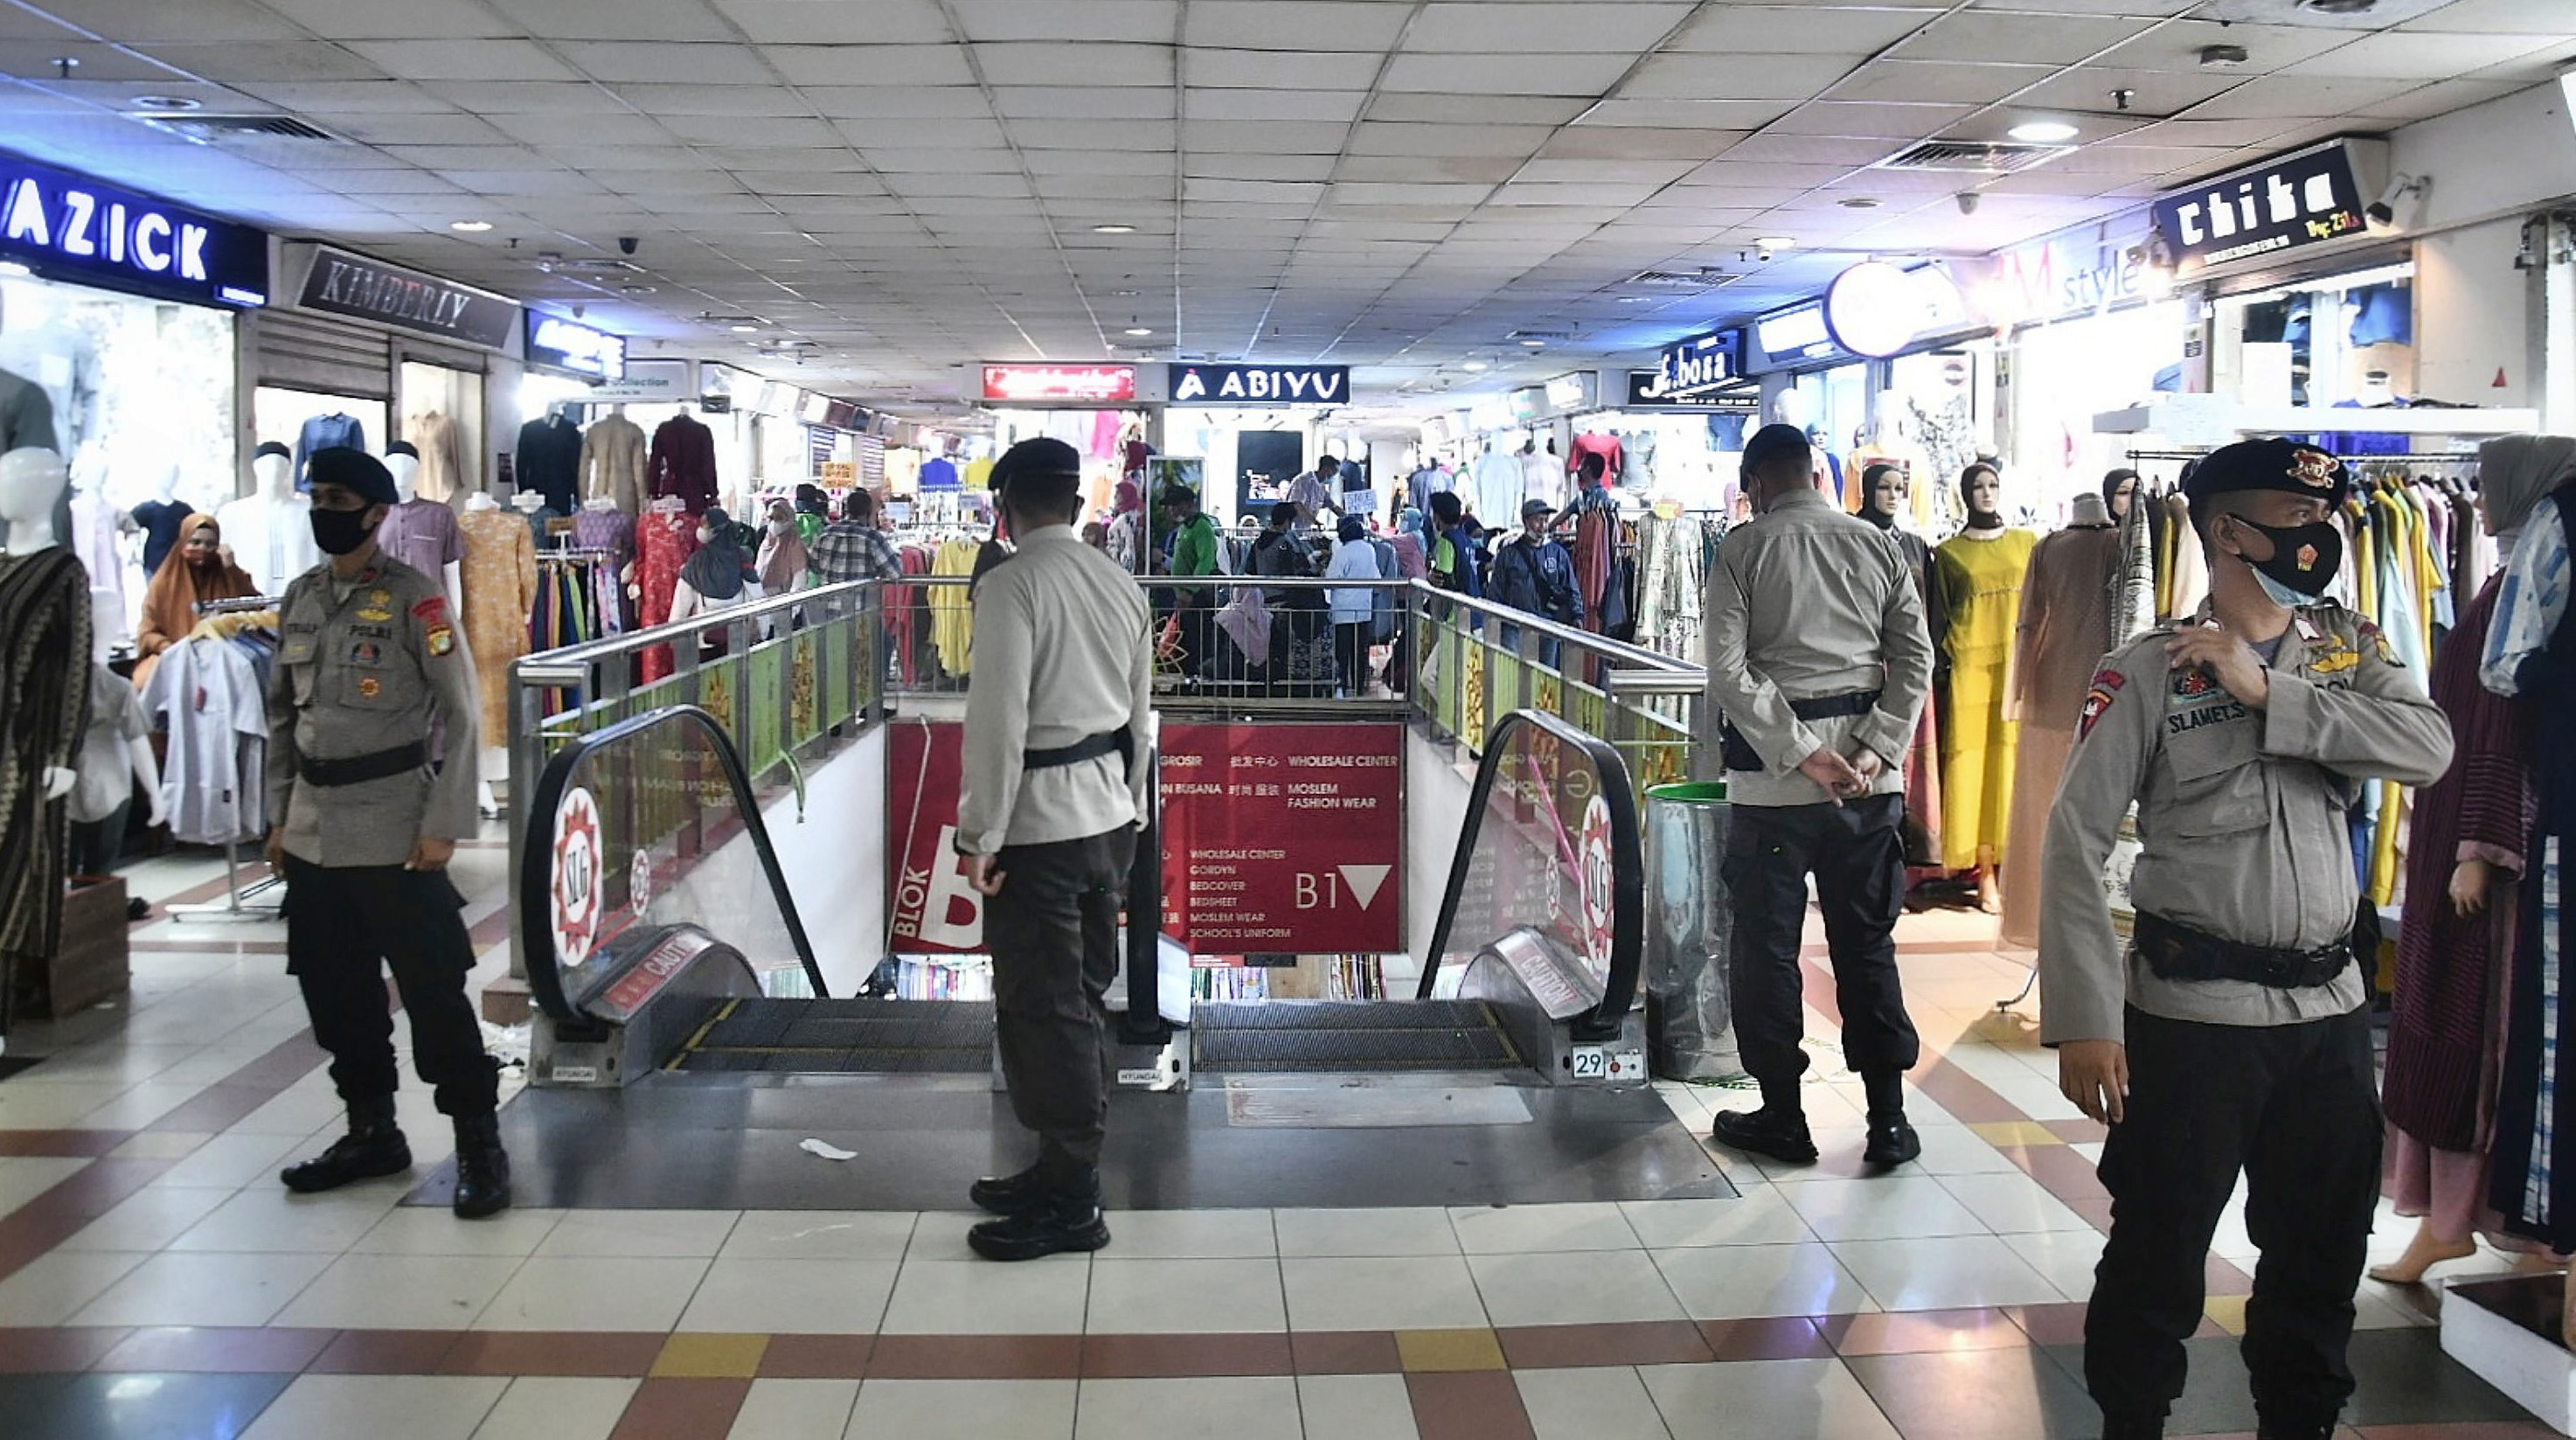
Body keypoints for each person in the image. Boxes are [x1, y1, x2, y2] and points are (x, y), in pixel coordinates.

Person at [2039, 438, 2453, 1440]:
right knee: (2157, 1255)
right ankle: (2131, 1423)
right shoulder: (2147, 669)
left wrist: (2275, 696)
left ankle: (2298, 1425)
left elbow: (2430, 748)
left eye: (2323, 517)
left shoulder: (2348, 651)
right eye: (2295, 516)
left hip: (2328, 1017)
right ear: (2227, 530)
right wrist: (2086, 1020)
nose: (2319, 534)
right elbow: (2072, 842)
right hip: (2194, 1019)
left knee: (2320, 1257)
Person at [262, 447, 510, 1220]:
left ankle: (478, 1143)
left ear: (375, 514)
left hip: (397, 828)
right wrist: (278, 814)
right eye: (317, 498)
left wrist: (446, 825)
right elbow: (282, 718)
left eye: (337, 500)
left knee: (434, 994)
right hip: (313, 832)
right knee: (336, 994)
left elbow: (462, 714)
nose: (322, 511)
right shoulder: (301, 597)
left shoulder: (415, 598)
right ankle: (371, 1131)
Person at [1703, 424, 1934, 1170]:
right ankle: (1887, 1120)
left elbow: (1727, 670)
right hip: (1867, 785)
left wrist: (1803, 754)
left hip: (1774, 787)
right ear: (1816, 475)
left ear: (1755, 484)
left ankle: (1783, 1114)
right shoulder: (1877, 545)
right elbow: (1915, 657)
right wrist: (1874, 746)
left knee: (1766, 948)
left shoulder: (1743, 549)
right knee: (1865, 944)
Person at [955, 437, 1154, 1262]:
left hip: (1039, 828)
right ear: (1075, 505)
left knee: (1043, 1006)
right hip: (1108, 820)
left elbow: (996, 723)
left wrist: (979, 836)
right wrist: (1131, 807)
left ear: (1005, 511)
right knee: (1082, 995)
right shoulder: (1119, 582)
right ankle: (1057, 1166)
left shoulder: (1011, 585)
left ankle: (1073, 1197)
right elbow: (1141, 718)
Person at [2376, 435, 2562, 1285]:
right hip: (2450, 836)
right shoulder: (2506, 583)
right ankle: (2454, 1221)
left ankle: (2468, 1221)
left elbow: (2504, 727)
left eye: (2490, 488)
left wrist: (2479, 851)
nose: (2477, 501)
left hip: (2482, 858)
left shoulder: (2530, 594)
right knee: (2444, 1027)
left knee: (2475, 1034)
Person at [133, 512, 259, 692]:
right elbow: (147, 632)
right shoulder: (163, 584)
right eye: (195, 542)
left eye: (210, 544)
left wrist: (232, 569)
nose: (202, 549)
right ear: (183, 542)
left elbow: (255, 608)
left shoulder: (228, 576)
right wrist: (173, 649)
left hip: (222, 660)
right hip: (174, 657)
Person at [1489, 497, 1582, 665]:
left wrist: (1577, 615)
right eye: (1538, 520)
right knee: (1512, 670)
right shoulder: (1508, 554)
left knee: (1546, 675)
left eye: (1545, 520)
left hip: (1548, 625)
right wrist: (1494, 621)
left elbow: (1571, 587)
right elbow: (1496, 591)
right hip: (1514, 625)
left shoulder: (1558, 554)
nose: (1543, 526)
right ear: (1526, 522)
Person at [1325, 513, 1383, 697]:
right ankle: (1359, 687)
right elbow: (1376, 576)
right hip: (1364, 609)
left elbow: (1331, 579)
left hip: (1343, 610)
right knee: (1360, 650)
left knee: (1342, 652)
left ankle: (1341, 686)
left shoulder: (1343, 552)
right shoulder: (1369, 549)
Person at [809, 489, 902, 587]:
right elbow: (895, 572)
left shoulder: (825, 533)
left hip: (827, 595)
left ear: (846, 509)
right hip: (861, 595)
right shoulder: (872, 538)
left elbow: (813, 565)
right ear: (869, 511)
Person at [1425, 490, 1482, 600]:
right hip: (1473, 600)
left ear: (1437, 516)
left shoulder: (1446, 540)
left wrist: (1430, 576)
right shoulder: (1465, 538)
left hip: (1457, 606)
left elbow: (1442, 579)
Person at [756, 497, 808, 595]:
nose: (774, 523)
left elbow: (799, 582)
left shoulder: (795, 546)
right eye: (771, 518)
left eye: (779, 518)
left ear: (789, 519)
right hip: (761, 598)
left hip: (783, 599)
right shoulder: (766, 543)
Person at [1286, 456, 1339, 529]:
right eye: (1334, 472)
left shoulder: (1322, 487)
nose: (1334, 476)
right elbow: (1297, 506)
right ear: (1326, 469)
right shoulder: (1303, 481)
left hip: (1307, 528)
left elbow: (1331, 505)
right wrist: (1316, 522)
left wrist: (1347, 518)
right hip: (1293, 527)